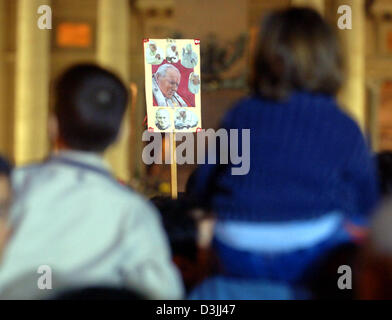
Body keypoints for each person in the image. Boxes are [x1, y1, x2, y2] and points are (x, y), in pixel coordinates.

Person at [188, 8, 379, 298]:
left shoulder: (240, 115)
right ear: (330, 61)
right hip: (313, 256)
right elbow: (368, 201)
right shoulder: (343, 124)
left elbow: (203, 186)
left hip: (237, 250)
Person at [0, 64, 184, 299]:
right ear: (123, 133)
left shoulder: (13, 187)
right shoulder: (134, 212)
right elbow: (164, 294)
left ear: (52, 125)